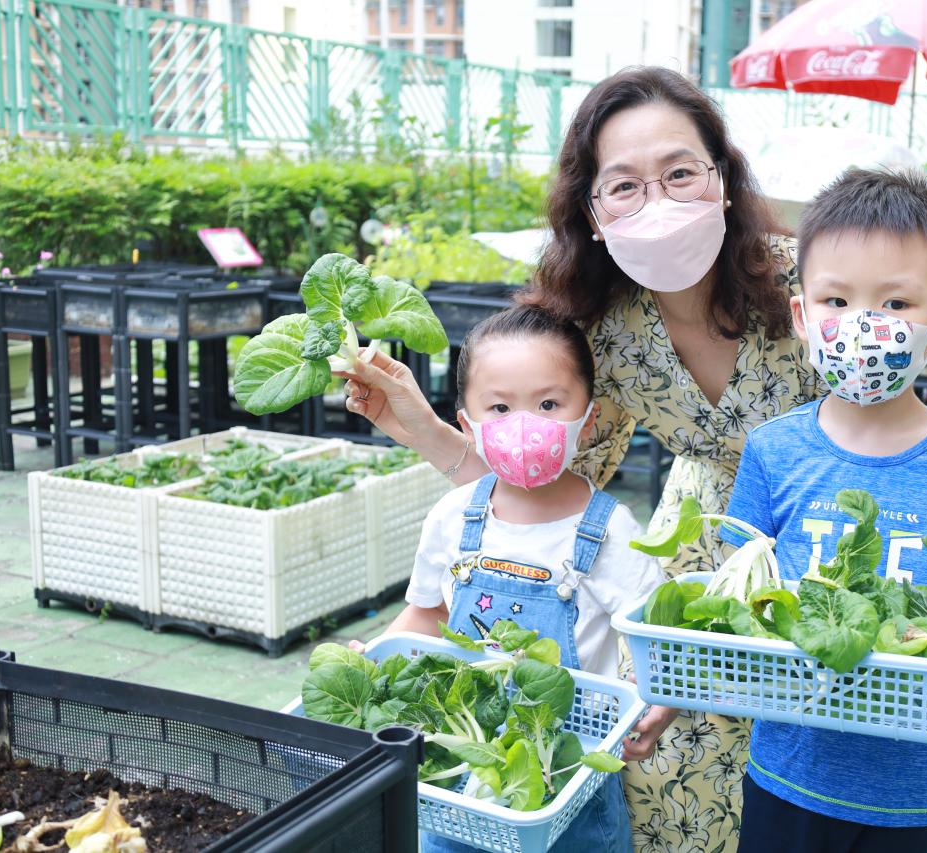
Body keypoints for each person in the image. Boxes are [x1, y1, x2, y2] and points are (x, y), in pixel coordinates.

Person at [341, 67, 819, 853]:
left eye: (680, 173)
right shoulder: (607, 325)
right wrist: (420, 423)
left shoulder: (807, 281)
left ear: (723, 179)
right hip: (695, 553)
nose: (657, 201)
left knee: (811, 771)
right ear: (593, 213)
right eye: (624, 185)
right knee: (671, 778)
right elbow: (544, 492)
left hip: (818, 532)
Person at [723, 169, 927, 853]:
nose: (862, 326)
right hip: (787, 771)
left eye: (896, 302)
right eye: (837, 299)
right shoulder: (772, 451)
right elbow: (736, 596)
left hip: (912, 788)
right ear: (802, 316)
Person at [357, 305, 668, 853]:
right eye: (499, 407)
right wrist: (375, 660)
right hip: (459, 763)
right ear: (467, 424)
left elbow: (655, 641)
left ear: (588, 418)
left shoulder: (611, 532)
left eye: (549, 404)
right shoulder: (454, 516)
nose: (525, 425)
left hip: (566, 774)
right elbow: (428, 612)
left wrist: (661, 704)